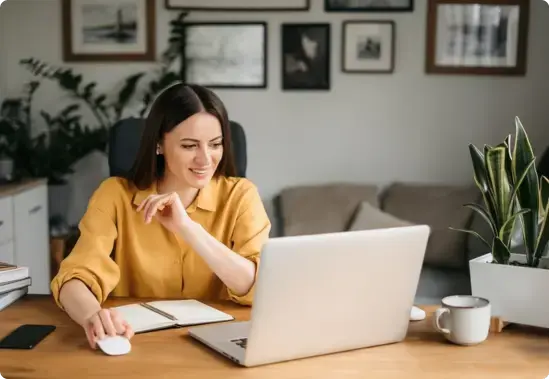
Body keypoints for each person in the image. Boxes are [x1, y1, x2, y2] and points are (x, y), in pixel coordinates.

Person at [50, 82, 271, 350]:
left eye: (215, 144)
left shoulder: (241, 195)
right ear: (159, 145)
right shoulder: (115, 195)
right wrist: (91, 315)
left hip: (217, 345)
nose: (205, 160)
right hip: (136, 343)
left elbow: (260, 286)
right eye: (189, 146)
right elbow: (74, 277)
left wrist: (187, 228)